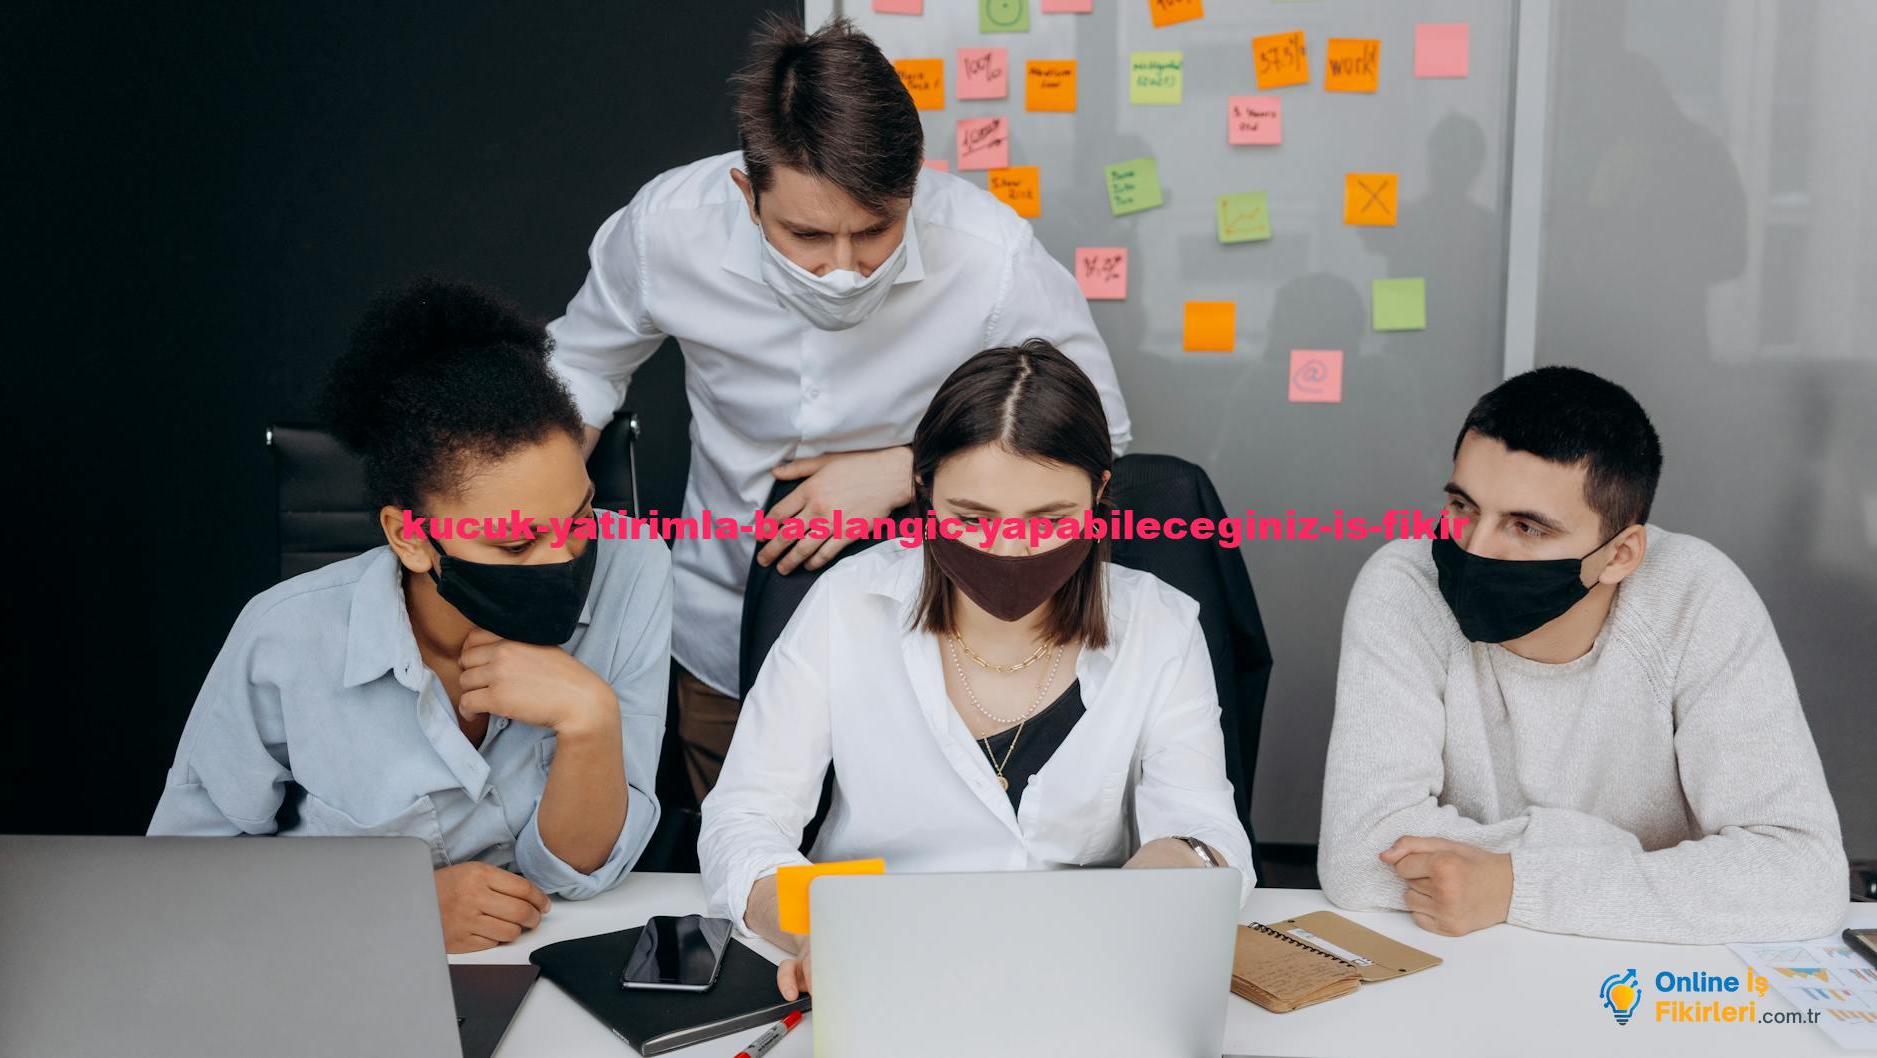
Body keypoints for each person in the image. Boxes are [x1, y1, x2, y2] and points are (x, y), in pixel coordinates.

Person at [545, 16, 1130, 802]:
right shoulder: (666, 229)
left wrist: (905, 472)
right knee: (743, 845)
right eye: (808, 235)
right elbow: (582, 363)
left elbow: (1100, 435)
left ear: (915, 183)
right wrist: (531, 512)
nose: (846, 270)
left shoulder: (991, 255)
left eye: (876, 231)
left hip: (935, 631)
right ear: (748, 195)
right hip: (720, 621)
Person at [698, 340, 1251, 1001]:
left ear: (1100, 494)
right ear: (924, 492)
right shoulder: (848, 603)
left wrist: (1177, 865)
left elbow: (1208, 830)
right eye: (972, 518)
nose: (1010, 549)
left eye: (1050, 520)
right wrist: (822, 928)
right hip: (877, 969)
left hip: (1083, 978)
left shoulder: (1159, 624)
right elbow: (746, 821)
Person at [149, 279, 673, 953]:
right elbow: (182, 872)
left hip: (547, 952)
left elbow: (576, 876)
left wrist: (590, 721)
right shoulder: (282, 636)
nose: (563, 554)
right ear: (411, 538)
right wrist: (394, 907)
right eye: (515, 541)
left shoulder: (633, 565)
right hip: (336, 959)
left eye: (577, 517)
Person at [1318, 366, 1846, 944]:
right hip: (1467, 966)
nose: (1475, 548)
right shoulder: (1405, 584)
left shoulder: (1697, 596)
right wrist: (1646, 867)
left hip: (1651, 979)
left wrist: (1514, 886)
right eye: (1463, 507)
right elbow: (1358, 856)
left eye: (1525, 526)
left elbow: (1803, 874)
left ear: (1619, 555)